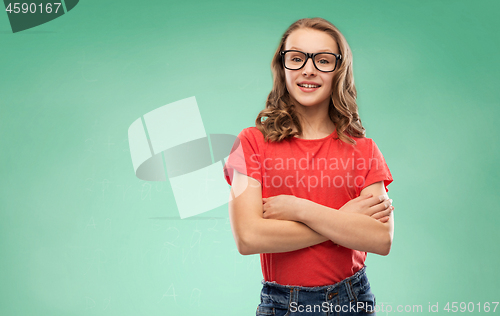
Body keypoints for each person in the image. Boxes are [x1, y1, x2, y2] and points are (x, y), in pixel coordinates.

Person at [223, 17, 394, 316]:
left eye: (323, 60)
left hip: (351, 301)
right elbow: (248, 237)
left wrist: (300, 209)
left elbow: (380, 239)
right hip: (281, 304)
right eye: (297, 58)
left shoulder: (364, 151)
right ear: (282, 66)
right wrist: (343, 221)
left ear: (339, 71)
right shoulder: (251, 143)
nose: (308, 68)